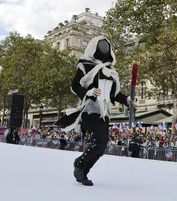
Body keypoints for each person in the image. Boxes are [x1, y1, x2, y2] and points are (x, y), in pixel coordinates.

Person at [55, 36, 133, 186]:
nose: (105, 49)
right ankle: (79, 163)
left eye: (107, 46)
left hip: (104, 111)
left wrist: (127, 100)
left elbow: (114, 94)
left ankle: (82, 172)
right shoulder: (84, 65)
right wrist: (88, 92)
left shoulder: (111, 71)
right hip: (90, 109)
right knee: (99, 142)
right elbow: (75, 85)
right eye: (102, 46)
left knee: (101, 147)